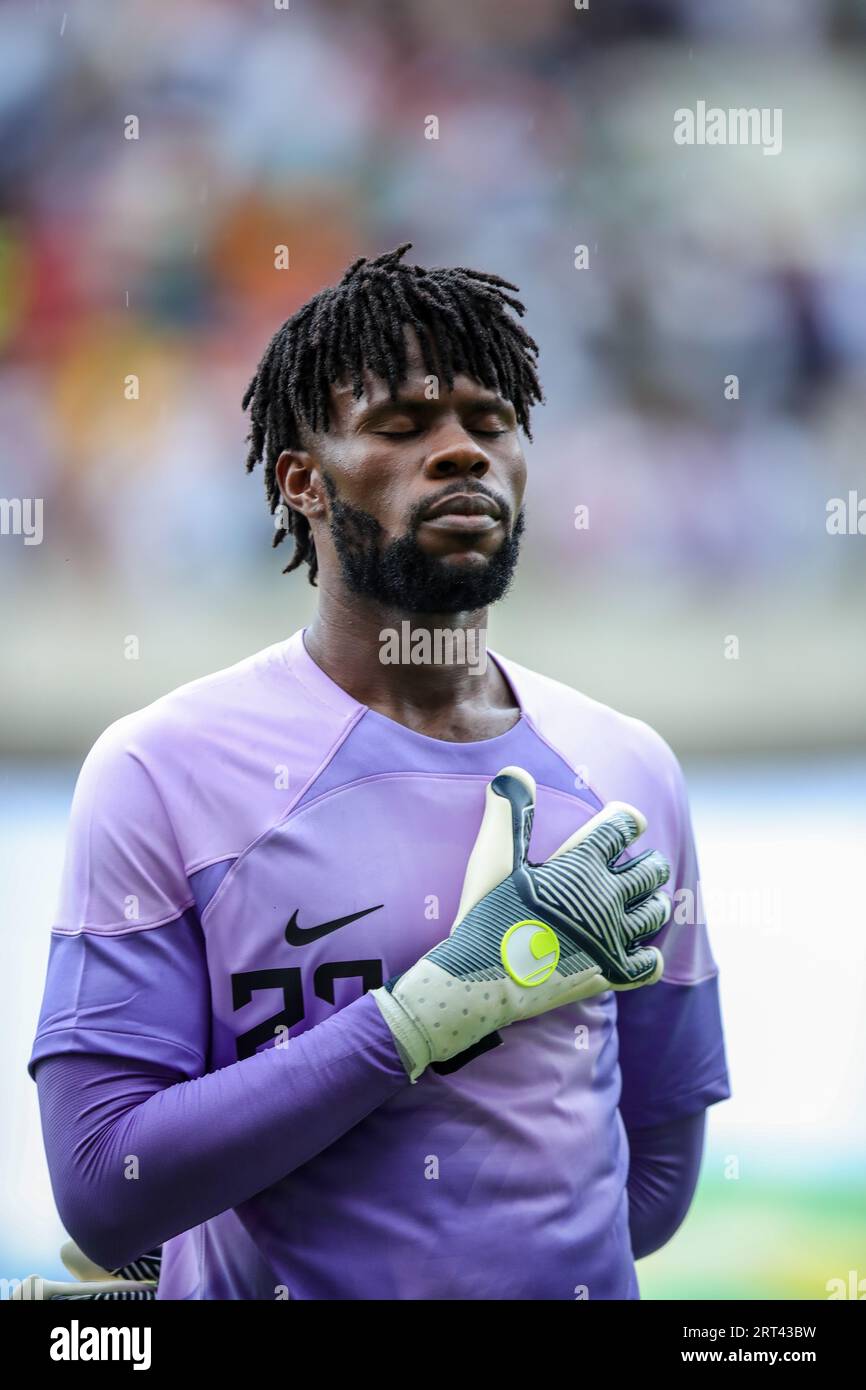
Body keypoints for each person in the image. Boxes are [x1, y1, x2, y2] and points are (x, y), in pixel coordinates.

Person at [29, 244, 730, 1300]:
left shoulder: (626, 767)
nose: (462, 453)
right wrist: (424, 1017)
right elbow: (101, 1185)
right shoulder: (162, 770)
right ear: (301, 481)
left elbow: (655, 1184)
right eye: (402, 427)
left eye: (490, 422)